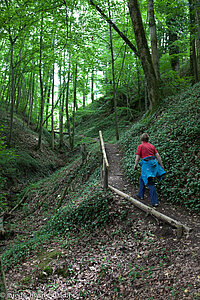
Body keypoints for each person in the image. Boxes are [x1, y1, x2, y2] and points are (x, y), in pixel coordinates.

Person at [134, 133, 166, 207]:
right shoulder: (151, 146)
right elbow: (157, 155)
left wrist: (135, 165)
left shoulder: (140, 146)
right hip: (153, 164)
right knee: (142, 178)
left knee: (150, 182)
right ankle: (140, 194)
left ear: (141, 139)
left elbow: (137, 157)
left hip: (147, 165)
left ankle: (154, 202)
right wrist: (161, 165)